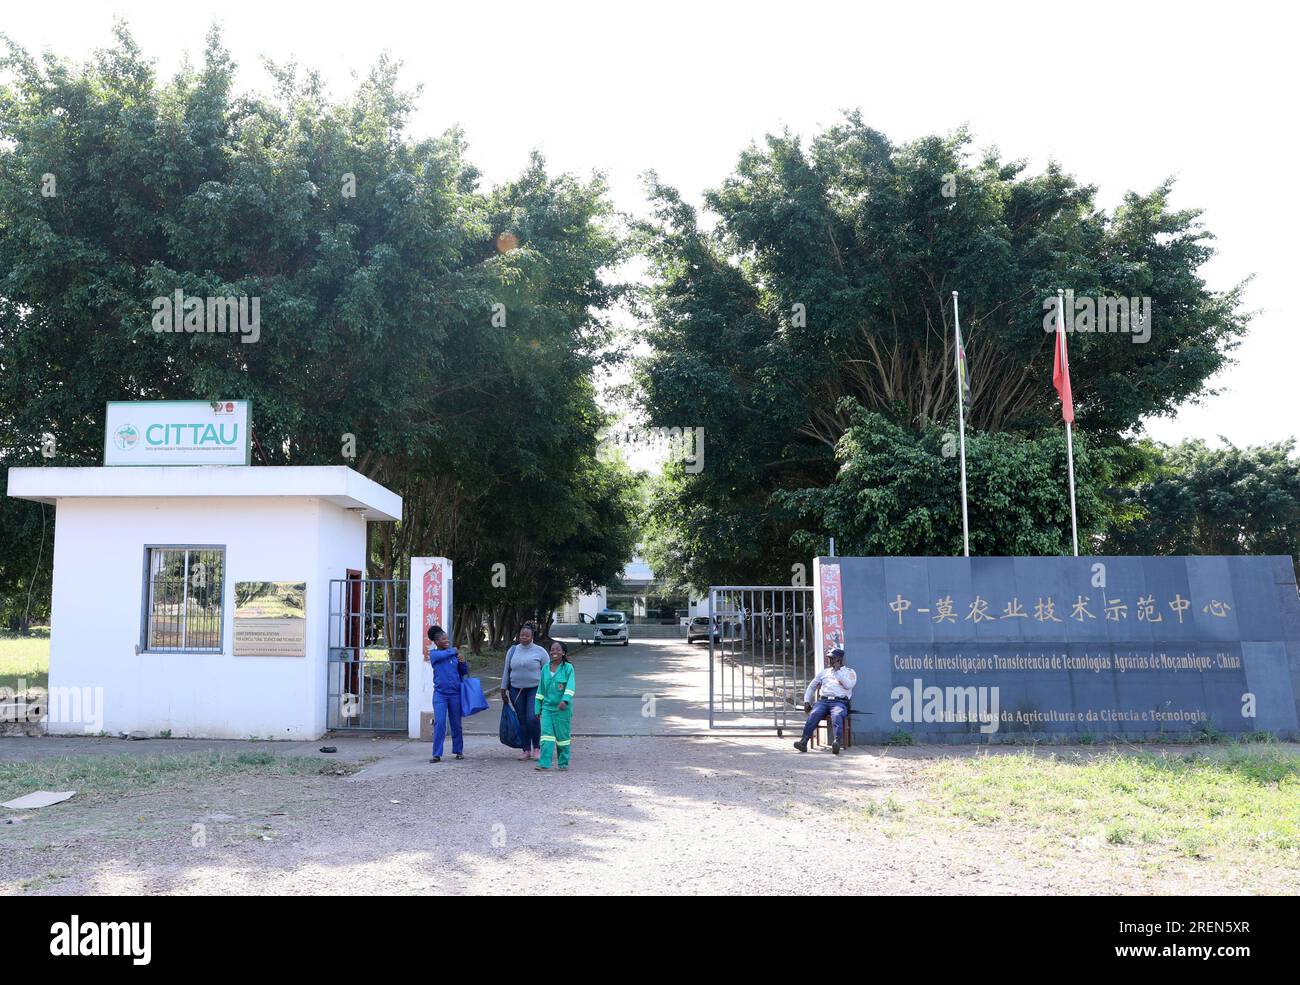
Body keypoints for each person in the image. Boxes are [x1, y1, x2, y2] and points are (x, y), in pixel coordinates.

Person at [793, 647, 856, 755]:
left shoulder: (849, 672)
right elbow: (812, 686)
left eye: (832, 658)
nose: (829, 660)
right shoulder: (824, 673)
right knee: (814, 714)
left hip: (840, 702)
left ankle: (837, 742)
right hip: (823, 701)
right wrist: (807, 701)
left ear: (839, 659)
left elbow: (849, 685)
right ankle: (803, 742)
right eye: (829, 658)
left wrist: (838, 673)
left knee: (837, 714)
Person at [501, 622, 547, 760]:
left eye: (527, 635)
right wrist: (503, 689)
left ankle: (537, 748)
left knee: (532, 718)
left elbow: (547, 672)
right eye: (521, 635)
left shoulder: (540, 651)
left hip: (535, 689)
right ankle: (526, 749)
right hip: (516, 690)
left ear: (532, 636)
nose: (524, 637)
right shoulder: (513, 650)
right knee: (522, 720)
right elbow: (506, 670)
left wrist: (548, 691)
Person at [428, 625, 468, 763]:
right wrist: (454, 651)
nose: (447, 641)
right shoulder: (434, 654)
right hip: (440, 694)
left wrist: (463, 662)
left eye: (447, 638)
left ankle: (458, 750)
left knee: (456, 723)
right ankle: (436, 754)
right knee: (440, 723)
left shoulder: (453, 654)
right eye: (444, 639)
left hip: (455, 694)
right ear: (436, 641)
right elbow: (443, 654)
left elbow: (463, 672)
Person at [535, 640, 576, 771]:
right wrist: (537, 707)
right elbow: (540, 690)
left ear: (563, 653)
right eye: (552, 649)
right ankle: (544, 763)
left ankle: (563, 763)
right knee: (546, 736)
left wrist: (565, 700)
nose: (554, 652)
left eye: (558, 650)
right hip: (547, 708)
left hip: (562, 709)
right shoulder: (545, 668)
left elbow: (570, 686)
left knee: (562, 738)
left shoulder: (568, 668)